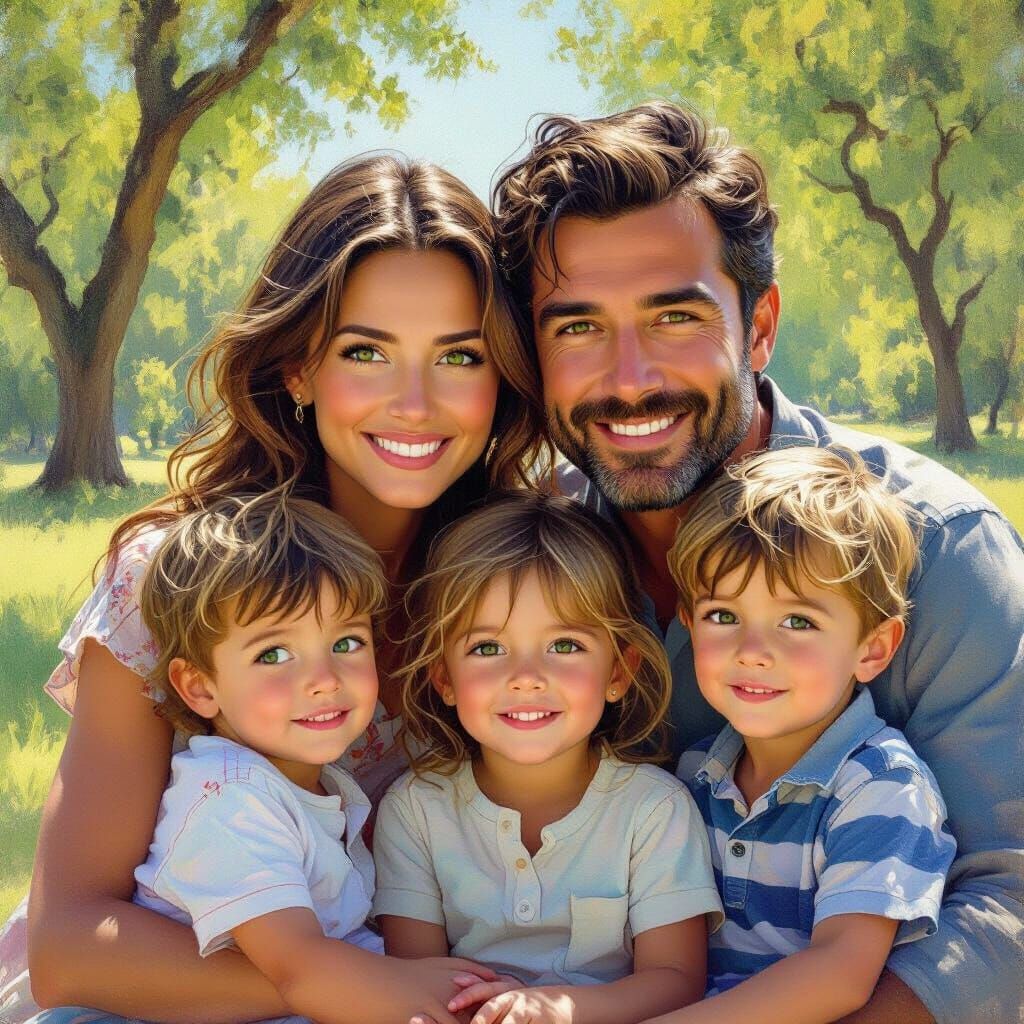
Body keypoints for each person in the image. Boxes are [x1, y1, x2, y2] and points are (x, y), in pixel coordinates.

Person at [493, 102, 1024, 1023]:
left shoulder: (935, 547)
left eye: (674, 316)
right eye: (576, 328)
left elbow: (1011, 899)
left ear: (761, 323)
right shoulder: (527, 566)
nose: (628, 379)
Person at [2, 154, 544, 1023]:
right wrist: (362, 984)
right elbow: (68, 947)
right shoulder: (176, 576)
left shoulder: (523, 580)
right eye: (366, 351)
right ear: (297, 369)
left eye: (459, 355)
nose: (414, 402)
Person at [373, 491, 724, 1024]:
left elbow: (676, 980)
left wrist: (557, 1012)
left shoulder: (654, 809)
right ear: (444, 677)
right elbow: (413, 976)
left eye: (564, 645)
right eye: (487, 648)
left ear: (618, 673)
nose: (526, 676)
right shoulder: (416, 810)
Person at [650, 447, 955, 1024]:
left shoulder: (881, 789)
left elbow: (841, 971)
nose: (753, 652)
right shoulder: (693, 776)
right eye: (723, 615)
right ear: (688, 623)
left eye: (798, 622)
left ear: (872, 649)